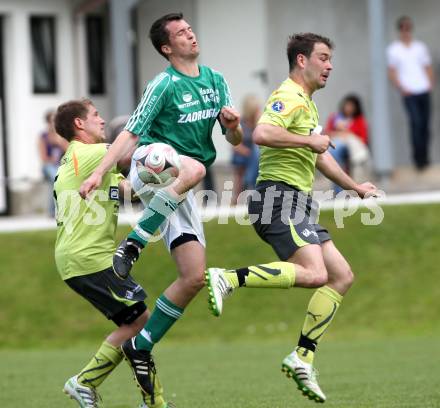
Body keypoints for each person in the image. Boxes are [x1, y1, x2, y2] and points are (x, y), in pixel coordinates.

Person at [205, 33, 377, 403]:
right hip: (277, 197)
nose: (329, 65)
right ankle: (228, 278)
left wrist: (354, 187)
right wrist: (308, 142)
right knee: (315, 274)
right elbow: (263, 132)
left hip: (297, 201)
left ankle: (302, 358)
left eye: (331, 59)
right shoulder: (289, 96)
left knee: (341, 276)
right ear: (302, 60)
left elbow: (320, 156)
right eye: (324, 57)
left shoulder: (309, 106)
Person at [79, 13, 242, 394]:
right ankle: (133, 242)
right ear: (167, 48)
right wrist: (99, 172)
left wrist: (233, 126)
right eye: (181, 33)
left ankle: (143, 343)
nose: (190, 34)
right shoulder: (163, 85)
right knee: (194, 167)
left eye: (190, 29)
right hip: (151, 161)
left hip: (179, 186)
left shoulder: (216, 81)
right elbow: (131, 134)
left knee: (194, 277)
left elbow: (234, 141)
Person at [53, 99, 171, 408]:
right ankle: (87, 383)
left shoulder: (87, 163)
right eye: (95, 115)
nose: (102, 120)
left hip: (81, 258)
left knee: (136, 322)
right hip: (89, 256)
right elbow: (126, 150)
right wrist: (171, 151)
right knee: (143, 322)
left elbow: (125, 190)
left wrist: (163, 181)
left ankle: (150, 400)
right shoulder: (89, 154)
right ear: (79, 124)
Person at [387, 16, 434, 170]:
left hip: (423, 89)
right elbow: (392, 72)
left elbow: (427, 67)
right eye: (404, 28)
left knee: (425, 125)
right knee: (416, 123)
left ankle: (425, 157)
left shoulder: (420, 47)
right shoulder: (394, 49)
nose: (406, 32)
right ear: (400, 30)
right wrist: (401, 88)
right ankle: (418, 160)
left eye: (409, 28)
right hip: (409, 92)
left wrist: (430, 84)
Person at [324, 94, 369, 192]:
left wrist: (348, 134)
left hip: (352, 150)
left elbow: (363, 140)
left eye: (351, 106)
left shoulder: (359, 120)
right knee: (335, 151)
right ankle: (339, 189)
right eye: (347, 105)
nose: (348, 108)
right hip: (334, 149)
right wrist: (340, 133)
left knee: (336, 151)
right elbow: (326, 134)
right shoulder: (335, 118)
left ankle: (342, 189)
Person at [231, 94, 261, 205]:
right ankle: (246, 185)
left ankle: (248, 182)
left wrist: (257, 123)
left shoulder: (259, 123)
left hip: (255, 156)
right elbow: (235, 145)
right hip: (243, 154)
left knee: (257, 153)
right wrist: (248, 153)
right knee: (254, 155)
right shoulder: (240, 123)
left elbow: (259, 141)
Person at [38, 109, 68, 216]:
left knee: (58, 179)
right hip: (48, 166)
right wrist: (53, 160)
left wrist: (58, 141)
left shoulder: (61, 135)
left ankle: (56, 211)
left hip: (60, 166)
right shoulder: (43, 137)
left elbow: (68, 150)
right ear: (47, 122)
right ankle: (54, 211)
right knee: (56, 178)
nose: (54, 123)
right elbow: (43, 157)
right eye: (52, 121)